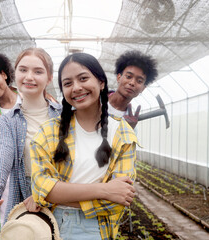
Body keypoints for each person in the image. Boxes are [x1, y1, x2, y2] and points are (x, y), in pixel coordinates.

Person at [30, 52, 138, 240]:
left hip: (96, 228)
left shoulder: (122, 133)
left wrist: (58, 194)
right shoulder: (48, 132)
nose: (77, 88)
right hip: (50, 225)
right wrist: (104, 190)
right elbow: (41, 189)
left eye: (83, 78)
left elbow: (121, 199)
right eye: (68, 83)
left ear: (101, 82)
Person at [0, 48, 62, 228]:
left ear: (49, 77)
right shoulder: (3, 122)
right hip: (22, 197)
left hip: (64, 203)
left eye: (38, 71)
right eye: (23, 70)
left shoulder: (63, 115)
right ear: (15, 73)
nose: (29, 77)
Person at [108, 50, 158, 129]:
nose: (132, 83)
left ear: (143, 88)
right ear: (118, 77)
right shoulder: (96, 101)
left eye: (139, 81)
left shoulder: (131, 122)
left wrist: (129, 130)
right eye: (128, 76)